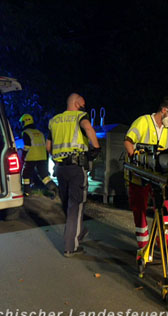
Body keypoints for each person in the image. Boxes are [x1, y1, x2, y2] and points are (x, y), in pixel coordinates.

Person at [124, 97, 168, 254]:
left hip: (159, 174)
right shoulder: (143, 122)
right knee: (140, 207)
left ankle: (163, 241)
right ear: (164, 110)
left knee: (165, 205)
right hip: (139, 173)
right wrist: (135, 158)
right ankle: (143, 244)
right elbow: (128, 141)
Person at [46, 93, 100, 257]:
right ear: (77, 103)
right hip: (77, 168)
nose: (85, 104)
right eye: (83, 101)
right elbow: (88, 128)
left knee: (68, 203)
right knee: (76, 205)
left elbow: (49, 146)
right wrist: (96, 148)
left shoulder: (54, 120)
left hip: (61, 169)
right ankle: (71, 246)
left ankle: (79, 231)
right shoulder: (80, 116)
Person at [18, 113, 58, 198]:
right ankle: (55, 189)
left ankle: (27, 193)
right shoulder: (39, 132)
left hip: (31, 157)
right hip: (42, 156)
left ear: (24, 122)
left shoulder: (26, 132)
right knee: (44, 176)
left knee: (26, 175)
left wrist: (22, 156)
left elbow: (27, 146)